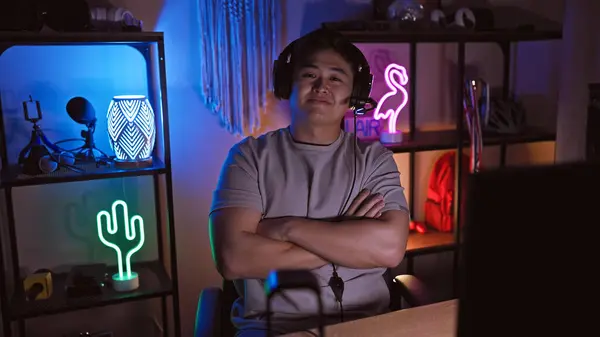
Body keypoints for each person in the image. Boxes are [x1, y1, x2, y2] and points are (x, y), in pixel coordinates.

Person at [209, 27, 410, 336]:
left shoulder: (375, 159)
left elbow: (391, 248)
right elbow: (233, 258)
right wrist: (345, 232)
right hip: (274, 328)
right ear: (289, 84)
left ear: (352, 96)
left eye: (335, 78)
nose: (321, 86)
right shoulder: (247, 158)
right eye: (309, 75)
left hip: (368, 324)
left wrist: (286, 228)